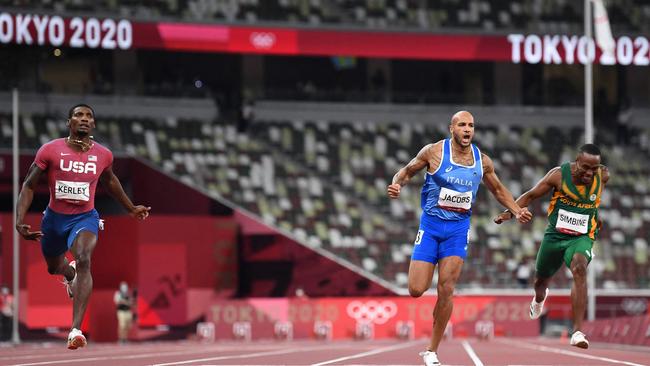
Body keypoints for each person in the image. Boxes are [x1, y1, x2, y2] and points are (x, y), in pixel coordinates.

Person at [387, 111, 532, 366]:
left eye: (471, 126)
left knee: (446, 289)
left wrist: (516, 210)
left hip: (457, 230)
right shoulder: (433, 152)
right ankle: (432, 328)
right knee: (416, 289)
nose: (467, 130)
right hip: (431, 226)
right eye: (462, 125)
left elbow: (498, 189)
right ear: (451, 128)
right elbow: (407, 171)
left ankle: (431, 350)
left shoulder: (482, 161)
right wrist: (397, 183)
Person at [15, 104, 151, 350]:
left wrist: (130, 208)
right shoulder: (50, 150)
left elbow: (110, 181)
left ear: (94, 124)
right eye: (79, 115)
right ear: (69, 122)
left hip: (85, 217)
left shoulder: (103, 155)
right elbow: (28, 185)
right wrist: (19, 219)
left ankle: (75, 329)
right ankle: (70, 274)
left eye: (89, 116)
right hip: (54, 220)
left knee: (85, 257)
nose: (84, 119)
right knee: (54, 267)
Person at [495, 143, 608, 349]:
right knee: (540, 282)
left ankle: (577, 332)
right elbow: (530, 196)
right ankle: (539, 300)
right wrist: (509, 213)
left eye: (595, 168)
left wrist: (595, 219)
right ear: (576, 162)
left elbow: (594, 202)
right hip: (554, 236)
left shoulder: (603, 176)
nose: (590, 173)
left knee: (580, 268)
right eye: (586, 168)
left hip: (581, 237)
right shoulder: (558, 175)